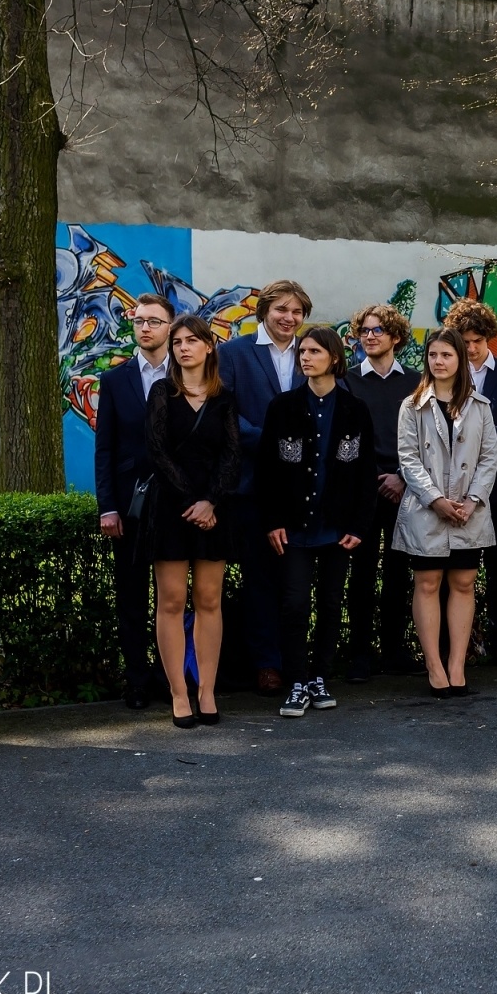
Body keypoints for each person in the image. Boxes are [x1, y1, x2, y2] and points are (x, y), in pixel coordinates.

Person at [256, 326, 376, 718]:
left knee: (330, 602)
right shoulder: (283, 406)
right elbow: (267, 471)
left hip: (337, 528)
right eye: (302, 351)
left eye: (314, 351)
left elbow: (364, 474)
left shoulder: (354, 410)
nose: (305, 357)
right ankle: (296, 681)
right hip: (293, 528)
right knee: (293, 604)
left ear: (334, 359)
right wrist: (272, 520)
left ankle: (319, 677)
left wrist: (358, 526)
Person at [394, 329, 497, 695]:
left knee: (463, 582)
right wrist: (436, 499)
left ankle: (457, 663)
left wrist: (472, 500)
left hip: (469, 511)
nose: (438, 362)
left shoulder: (480, 406)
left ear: (460, 360)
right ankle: (434, 666)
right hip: (428, 511)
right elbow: (407, 458)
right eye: (433, 355)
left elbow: (490, 457)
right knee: (427, 583)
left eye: (446, 355)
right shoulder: (412, 406)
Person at [145, 314, 240, 727]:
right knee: (170, 601)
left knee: (209, 600)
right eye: (177, 341)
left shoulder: (225, 398)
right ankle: (179, 693)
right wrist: (191, 501)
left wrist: (210, 502)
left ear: (209, 347)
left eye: (191, 341)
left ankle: (207, 691)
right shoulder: (162, 392)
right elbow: (157, 451)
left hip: (213, 511)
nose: (183, 347)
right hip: (171, 508)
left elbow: (232, 455)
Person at [217, 279, 307, 696]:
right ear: (264, 311)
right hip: (253, 484)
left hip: (305, 485)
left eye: (297, 312)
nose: (289, 318)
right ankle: (266, 664)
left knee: (298, 580)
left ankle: (300, 663)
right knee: (260, 579)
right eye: (281, 310)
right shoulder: (234, 353)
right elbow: (226, 414)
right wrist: (275, 443)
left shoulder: (313, 352)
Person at [94, 293, 173, 710]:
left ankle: (170, 676)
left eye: (154, 321)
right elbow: (104, 448)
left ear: (170, 328)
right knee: (131, 596)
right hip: (129, 506)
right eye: (139, 321)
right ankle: (137, 679)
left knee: (173, 596)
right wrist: (107, 506)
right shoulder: (115, 379)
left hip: (177, 504)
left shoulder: (188, 375)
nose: (145, 328)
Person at [444, 298, 497, 670]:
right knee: (455, 569)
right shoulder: (442, 374)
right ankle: (457, 645)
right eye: (465, 341)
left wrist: (482, 431)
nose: (472, 348)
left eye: (479, 340)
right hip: (452, 488)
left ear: (489, 339)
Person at [342, 303, 418, 678]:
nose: (369, 336)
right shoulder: (348, 380)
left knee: (399, 573)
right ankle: (359, 653)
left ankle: (394, 651)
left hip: (407, 491)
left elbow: (426, 439)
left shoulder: (416, 382)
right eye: (365, 331)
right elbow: (345, 438)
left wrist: (402, 477)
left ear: (396, 337)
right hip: (363, 491)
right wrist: (374, 477)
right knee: (362, 573)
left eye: (377, 331)